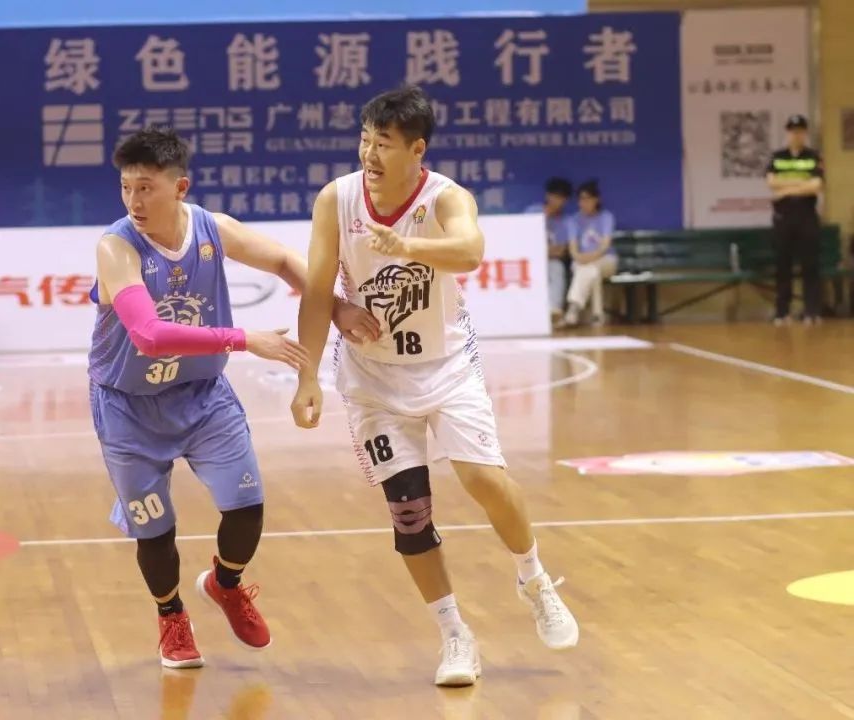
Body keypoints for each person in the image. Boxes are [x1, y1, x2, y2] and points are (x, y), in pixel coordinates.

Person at [290, 85, 578, 688]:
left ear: (416, 149)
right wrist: (308, 373)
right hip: (372, 377)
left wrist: (408, 246)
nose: (369, 155)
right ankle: (454, 635)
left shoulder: (446, 196)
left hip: (446, 366)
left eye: (384, 144)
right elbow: (317, 291)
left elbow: (470, 251)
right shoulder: (336, 199)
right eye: (365, 140)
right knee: (409, 512)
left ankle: (533, 579)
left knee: (482, 479)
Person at [88, 127, 376, 669]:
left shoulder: (211, 228)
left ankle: (225, 583)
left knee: (247, 509)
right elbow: (148, 335)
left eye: (146, 188)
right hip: (129, 407)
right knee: (155, 531)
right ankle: (172, 616)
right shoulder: (116, 247)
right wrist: (246, 340)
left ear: (180, 187)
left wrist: (336, 307)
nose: (133, 201)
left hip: (203, 396)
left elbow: (286, 260)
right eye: (126, 187)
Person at [766, 114, 825, 326]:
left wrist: (786, 190)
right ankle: (782, 312)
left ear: (805, 133)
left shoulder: (813, 156)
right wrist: (801, 184)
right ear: (787, 133)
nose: (796, 135)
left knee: (810, 264)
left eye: (800, 131)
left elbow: (816, 186)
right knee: (783, 264)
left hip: (806, 215)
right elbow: (771, 183)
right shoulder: (777, 157)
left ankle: (811, 311)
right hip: (784, 217)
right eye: (793, 131)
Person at [561, 180, 617, 328]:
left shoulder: (606, 217)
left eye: (587, 199)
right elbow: (573, 248)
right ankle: (597, 315)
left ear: (596, 199)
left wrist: (590, 258)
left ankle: (573, 310)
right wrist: (579, 257)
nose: (583, 203)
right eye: (581, 199)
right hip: (581, 262)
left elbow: (605, 246)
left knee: (591, 268)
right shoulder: (573, 220)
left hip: (606, 260)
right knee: (592, 271)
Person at [526, 178, 575, 319]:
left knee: (557, 268)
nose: (557, 201)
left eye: (561, 198)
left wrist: (542, 250)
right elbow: (524, 241)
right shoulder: (533, 212)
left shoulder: (567, 221)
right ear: (548, 195)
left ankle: (554, 310)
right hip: (530, 259)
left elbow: (561, 251)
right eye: (554, 196)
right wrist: (544, 218)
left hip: (551, 260)